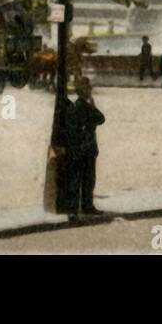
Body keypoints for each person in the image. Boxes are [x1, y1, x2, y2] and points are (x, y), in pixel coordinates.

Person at [64, 76, 105, 218]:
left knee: (79, 181)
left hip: (80, 149)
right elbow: (101, 118)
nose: (90, 90)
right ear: (84, 91)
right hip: (86, 149)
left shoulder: (75, 107)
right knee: (86, 180)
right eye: (88, 89)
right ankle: (86, 207)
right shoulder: (85, 107)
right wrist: (92, 104)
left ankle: (74, 210)